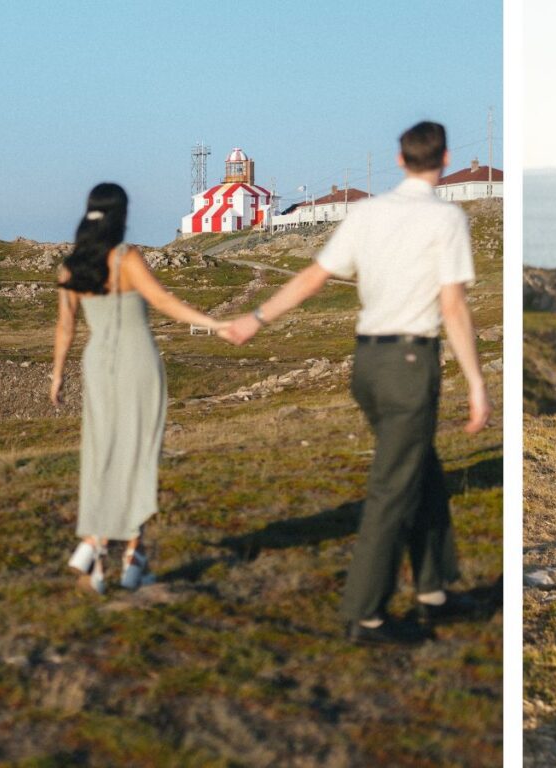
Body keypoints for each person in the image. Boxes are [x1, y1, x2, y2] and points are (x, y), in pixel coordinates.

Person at [221, 121, 492, 646]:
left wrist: (256, 318)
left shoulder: (367, 213)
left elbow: (311, 277)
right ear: (444, 159)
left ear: (399, 159)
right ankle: (365, 614)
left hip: (367, 365)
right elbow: (453, 306)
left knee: (422, 466)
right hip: (411, 365)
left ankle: (434, 589)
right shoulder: (446, 218)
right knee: (393, 488)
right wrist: (477, 383)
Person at [52, 182, 226, 593]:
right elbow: (163, 302)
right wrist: (215, 323)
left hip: (96, 364)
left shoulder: (70, 266)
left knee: (103, 453)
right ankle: (118, 549)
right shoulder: (125, 258)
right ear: (121, 215)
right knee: (139, 454)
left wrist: (57, 375)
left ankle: (106, 552)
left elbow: (65, 327)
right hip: (136, 362)